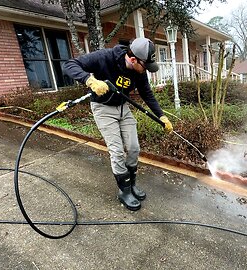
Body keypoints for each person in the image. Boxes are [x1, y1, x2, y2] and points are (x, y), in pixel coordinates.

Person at [62, 37, 173, 211]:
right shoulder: (105, 57)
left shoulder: (139, 72)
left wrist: (161, 116)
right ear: (134, 59)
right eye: (145, 66)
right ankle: (124, 191)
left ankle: (132, 183)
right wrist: (89, 80)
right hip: (103, 108)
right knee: (117, 151)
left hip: (123, 108)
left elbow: (147, 94)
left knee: (134, 147)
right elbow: (69, 64)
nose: (146, 71)